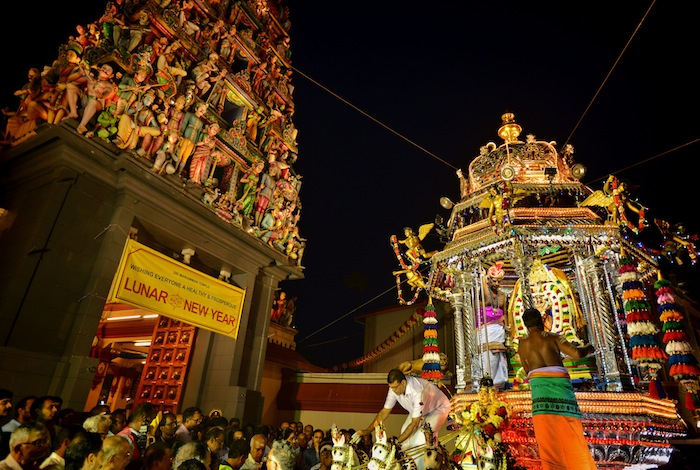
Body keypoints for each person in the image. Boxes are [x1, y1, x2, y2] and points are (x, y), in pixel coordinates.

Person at [517, 307, 596, 470]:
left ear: (525, 325)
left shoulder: (522, 344)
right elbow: (576, 354)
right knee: (572, 435)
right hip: (561, 392)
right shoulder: (553, 337)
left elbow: (527, 370)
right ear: (542, 321)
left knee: (548, 442)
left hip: (541, 397)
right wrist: (590, 347)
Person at [352, 369, 450, 452]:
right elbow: (384, 412)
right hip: (421, 411)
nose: (393, 391)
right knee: (404, 440)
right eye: (391, 388)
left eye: (395, 387)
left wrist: (395, 443)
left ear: (403, 383)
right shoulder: (394, 388)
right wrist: (367, 431)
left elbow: (414, 424)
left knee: (419, 440)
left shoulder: (417, 391)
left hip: (438, 408)